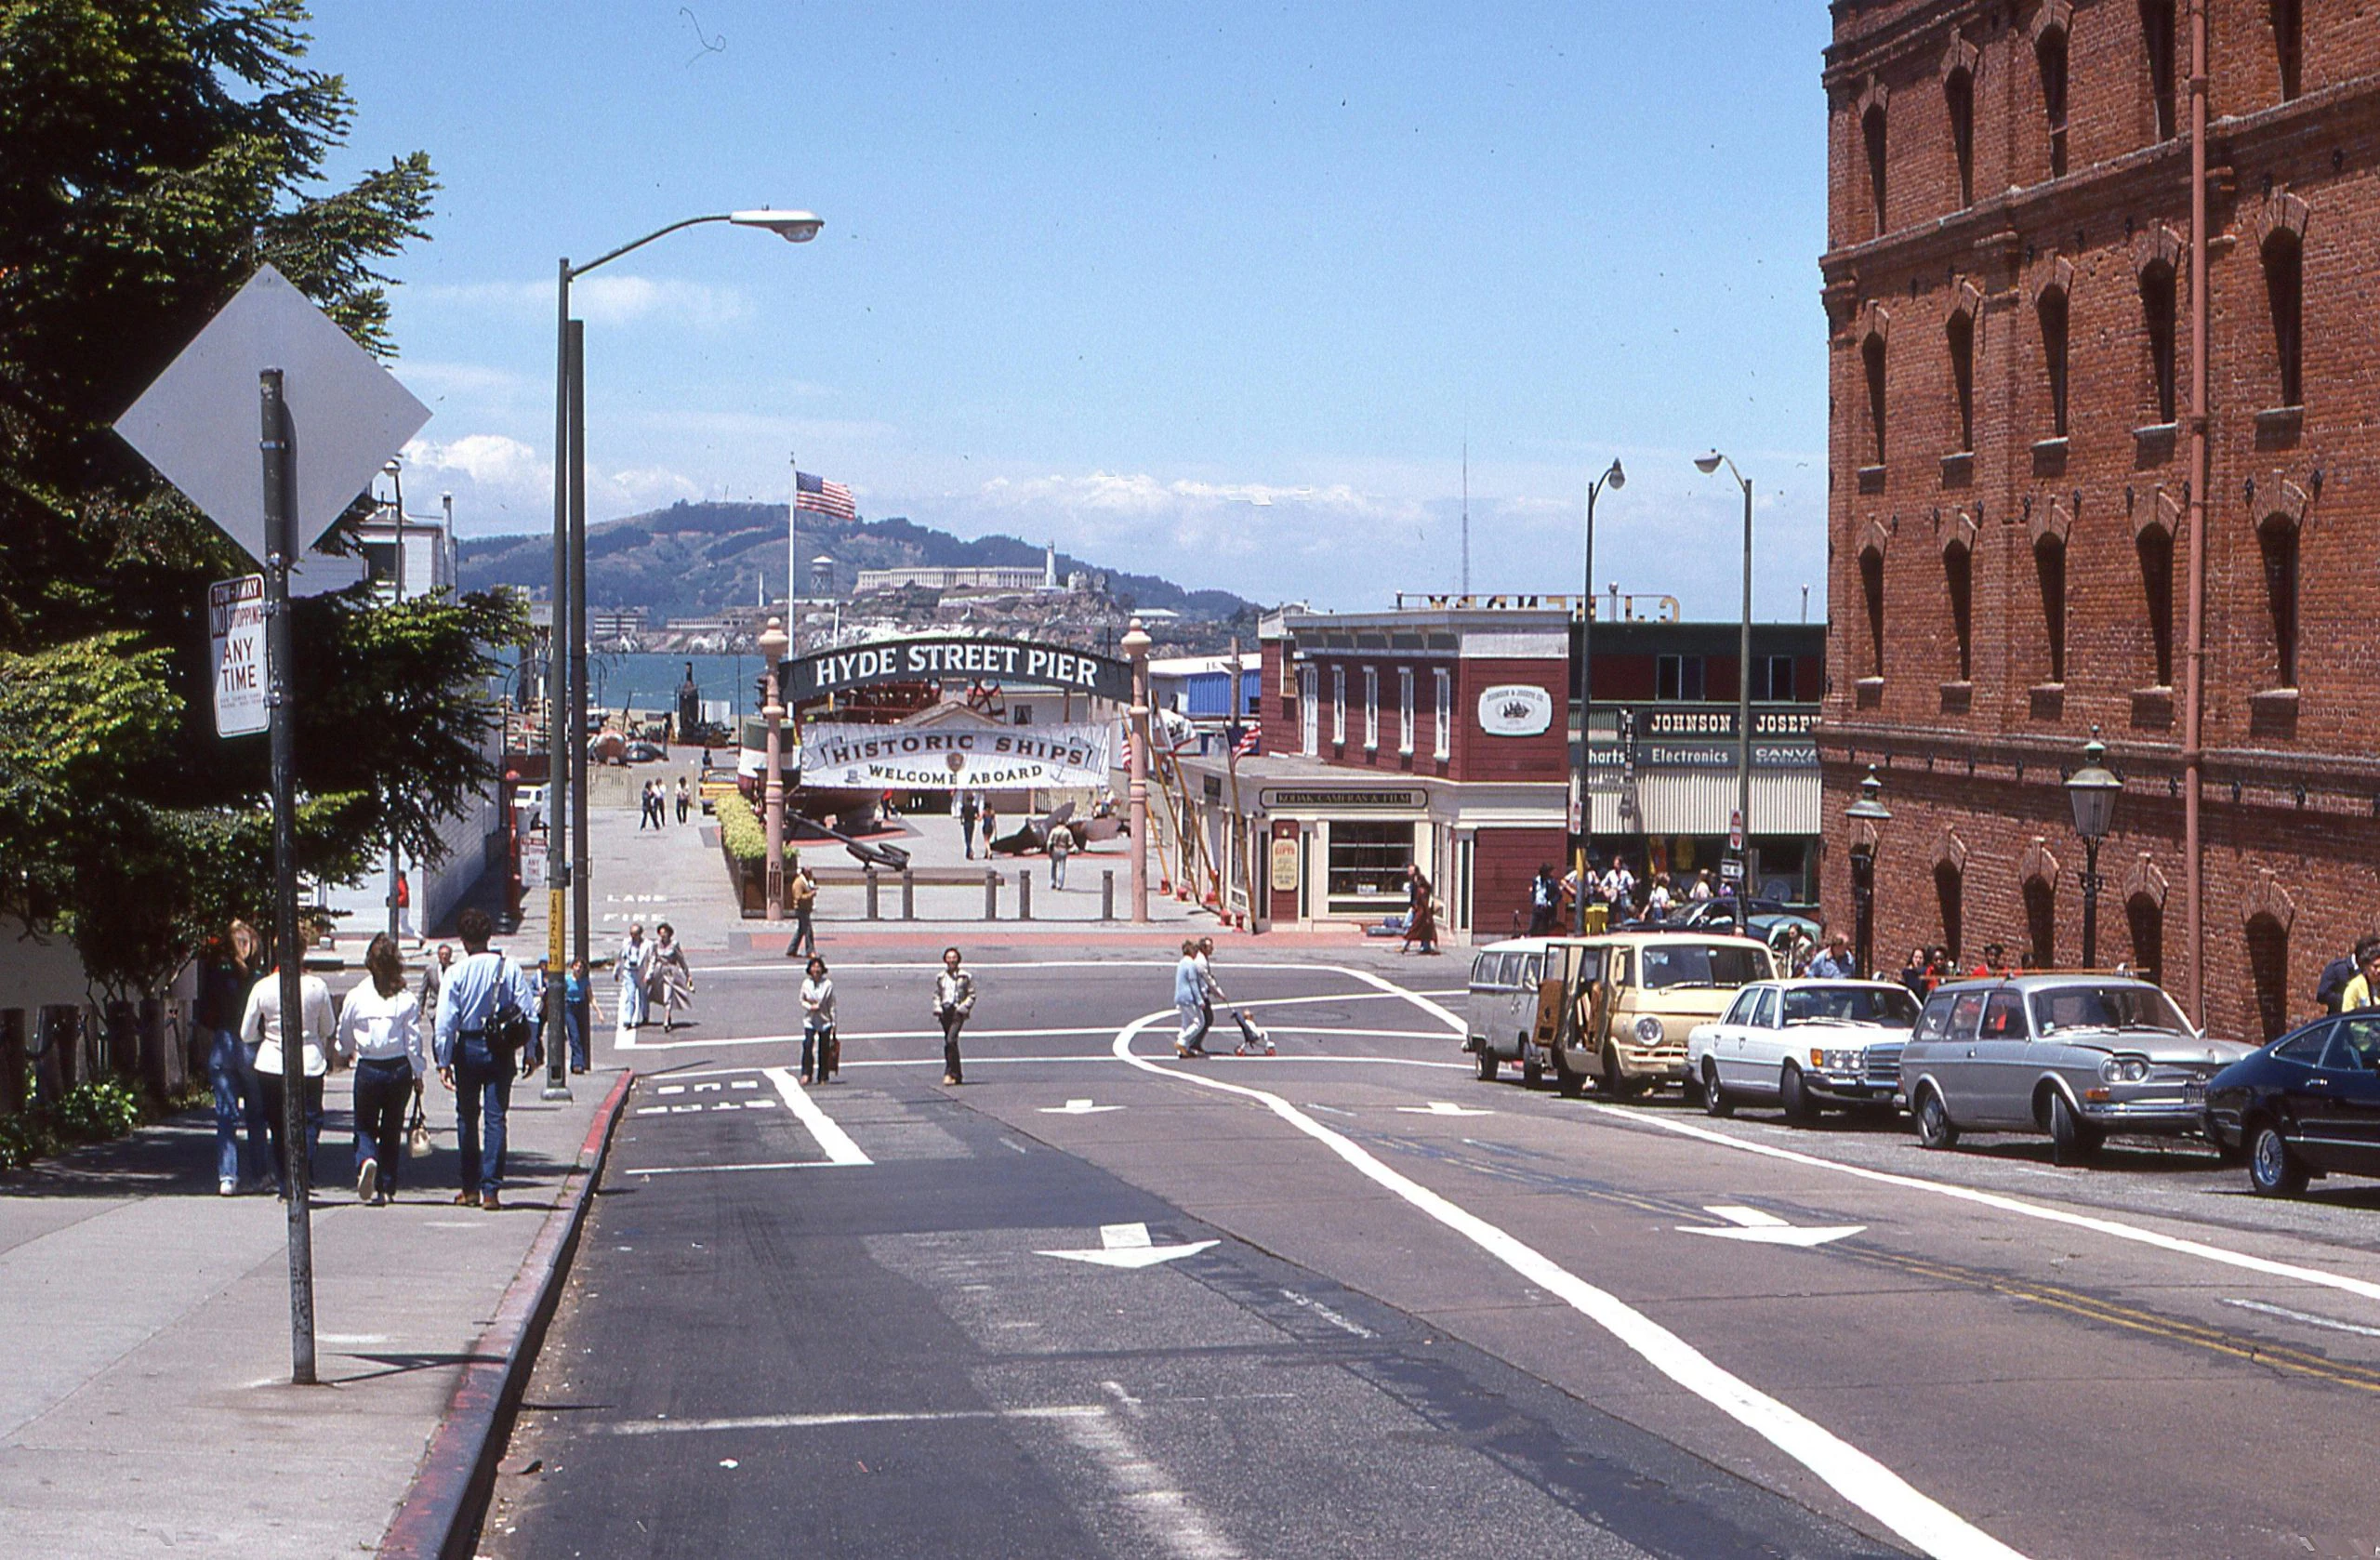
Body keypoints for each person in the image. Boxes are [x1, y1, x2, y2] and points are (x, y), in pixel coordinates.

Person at [432, 906, 540, 1210]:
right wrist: (530, 1052)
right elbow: (528, 1013)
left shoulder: (455, 973)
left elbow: (445, 1022)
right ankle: (491, 1189)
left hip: (467, 1047)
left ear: (464, 941)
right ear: (489, 936)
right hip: (500, 1047)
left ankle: (469, 1187)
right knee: (496, 1118)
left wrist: (443, 1061)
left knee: (467, 1117)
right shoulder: (509, 968)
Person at [240, 936, 337, 1198]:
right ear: (304, 952)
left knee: (278, 1123)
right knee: (310, 1119)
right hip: (309, 1062)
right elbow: (328, 1027)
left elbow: (246, 1033)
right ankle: (302, 1169)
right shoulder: (317, 986)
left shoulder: (263, 987)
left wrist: (268, 1035)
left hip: (271, 1062)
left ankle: (285, 1182)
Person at [339, 933, 427, 1206]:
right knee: (391, 1128)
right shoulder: (406, 999)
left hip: (368, 1066)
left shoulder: (356, 996)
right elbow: (413, 1039)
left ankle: (367, 1159)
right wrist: (418, 1072)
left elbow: (344, 1033)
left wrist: (347, 1051)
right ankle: (387, 1186)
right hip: (399, 1067)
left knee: (364, 1125)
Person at [198, 920, 266, 1196]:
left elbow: (205, 1011)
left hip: (223, 1042)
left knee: (226, 1114)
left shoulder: (216, 973)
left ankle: (227, 1176)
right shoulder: (258, 977)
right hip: (250, 1045)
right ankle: (260, 1174)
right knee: (256, 1114)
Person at [933, 946, 974, 1085]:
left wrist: (963, 1008)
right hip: (945, 1012)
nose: (951, 960)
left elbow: (972, 995)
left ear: (958, 959)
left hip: (957, 1012)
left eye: (954, 957)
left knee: (951, 1040)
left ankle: (950, 1072)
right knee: (950, 1043)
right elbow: (937, 994)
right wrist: (938, 1008)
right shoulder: (941, 977)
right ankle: (956, 1074)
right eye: (949, 958)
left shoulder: (965, 977)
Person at [647, 921, 694, 1032]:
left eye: (665, 933)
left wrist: (687, 975)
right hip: (659, 971)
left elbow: (681, 960)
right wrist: (649, 974)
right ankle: (667, 1013)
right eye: (661, 933)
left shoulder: (674, 945)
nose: (663, 935)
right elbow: (653, 960)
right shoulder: (655, 945)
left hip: (670, 972)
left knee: (667, 996)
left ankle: (666, 1019)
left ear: (669, 933)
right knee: (659, 994)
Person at [800, 957, 836, 1085]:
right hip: (810, 1019)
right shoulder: (806, 984)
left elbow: (831, 1004)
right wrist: (810, 1006)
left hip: (824, 1020)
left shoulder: (828, 985)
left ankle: (823, 1075)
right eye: (813, 967)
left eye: (818, 967)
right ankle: (806, 1073)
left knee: (824, 1048)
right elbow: (802, 1000)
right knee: (808, 1044)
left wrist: (833, 1022)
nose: (816, 969)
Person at [1173, 938, 1210, 1057]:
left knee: (1186, 1024)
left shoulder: (1181, 963)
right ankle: (1182, 1042)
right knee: (1200, 1022)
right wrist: (1199, 1000)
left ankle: (1183, 1050)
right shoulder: (1191, 964)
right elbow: (1193, 983)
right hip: (1188, 997)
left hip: (1179, 997)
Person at [615, 924, 653, 1028]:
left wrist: (649, 975)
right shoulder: (626, 942)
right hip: (629, 972)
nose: (633, 936)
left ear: (640, 934)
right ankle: (628, 1019)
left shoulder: (648, 944)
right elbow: (620, 957)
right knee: (630, 996)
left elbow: (652, 961)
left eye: (635, 934)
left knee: (643, 996)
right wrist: (617, 971)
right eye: (631, 933)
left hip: (641, 973)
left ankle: (645, 1015)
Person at [1399, 864, 1438, 955]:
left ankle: (1410, 946)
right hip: (1418, 910)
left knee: (1415, 929)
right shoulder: (1413, 883)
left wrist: (1417, 907)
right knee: (1417, 928)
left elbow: (1424, 901)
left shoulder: (1421, 889)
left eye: (1411, 871)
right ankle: (1424, 947)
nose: (1409, 873)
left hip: (1420, 912)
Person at [562, 957, 593, 1073]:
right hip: (570, 1007)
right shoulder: (567, 980)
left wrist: (599, 1012)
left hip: (581, 1007)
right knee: (574, 1036)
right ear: (572, 967)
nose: (578, 969)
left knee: (580, 1035)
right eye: (576, 966)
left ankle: (576, 1062)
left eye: (581, 967)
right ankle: (578, 1064)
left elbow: (591, 997)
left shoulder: (585, 981)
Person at [784, 865, 819, 958]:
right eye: (809, 872)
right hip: (801, 909)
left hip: (806, 909)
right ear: (805, 872)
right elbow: (798, 897)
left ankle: (792, 949)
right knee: (808, 930)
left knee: (801, 930)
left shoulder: (805, 881)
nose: (811, 874)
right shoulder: (799, 883)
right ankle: (809, 951)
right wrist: (810, 895)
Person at [2337, 939, 2380, 1012]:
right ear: (2366, 966)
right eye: (2375, 967)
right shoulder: (2355, 987)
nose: (2379, 970)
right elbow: (2347, 1015)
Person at [1527, 865, 1561, 935]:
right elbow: (1534, 892)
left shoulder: (1552, 882)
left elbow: (1559, 895)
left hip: (1547, 909)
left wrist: (1549, 903)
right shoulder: (1536, 881)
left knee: (1545, 929)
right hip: (1537, 908)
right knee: (1532, 928)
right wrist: (1533, 901)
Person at [1048, 820, 1075, 889]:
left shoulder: (1054, 831)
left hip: (1055, 850)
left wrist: (1049, 851)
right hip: (1063, 850)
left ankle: (1053, 882)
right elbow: (1071, 843)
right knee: (1062, 868)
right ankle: (1060, 884)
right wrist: (1068, 847)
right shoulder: (1067, 831)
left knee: (1053, 867)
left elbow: (1049, 842)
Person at [959, 789, 980, 860]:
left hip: (966, 823)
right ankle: (968, 853)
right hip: (972, 823)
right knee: (971, 838)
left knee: (967, 839)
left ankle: (970, 851)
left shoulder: (964, 806)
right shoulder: (974, 807)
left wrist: (961, 821)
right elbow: (977, 816)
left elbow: (961, 815)